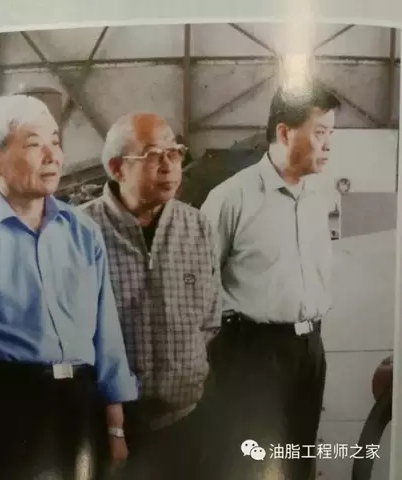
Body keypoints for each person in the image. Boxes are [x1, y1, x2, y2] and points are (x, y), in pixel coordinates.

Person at [0, 94, 138, 480]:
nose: (52, 156)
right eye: (34, 144)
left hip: (79, 406)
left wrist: (115, 427)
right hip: (2, 411)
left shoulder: (84, 233)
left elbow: (107, 337)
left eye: (55, 142)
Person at [199, 83, 341, 480]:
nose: (329, 145)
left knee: (299, 460)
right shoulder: (231, 199)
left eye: (332, 133)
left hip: (310, 349)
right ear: (284, 133)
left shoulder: (319, 195)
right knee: (250, 464)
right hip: (252, 353)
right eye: (319, 132)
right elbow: (198, 286)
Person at [81, 112, 220, 480]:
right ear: (117, 168)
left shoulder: (198, 227)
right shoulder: (81, 231)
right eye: (154, 155)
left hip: (185, 419)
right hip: (107, 427)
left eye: (174, 153)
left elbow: (210, 319)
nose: (169, 165)